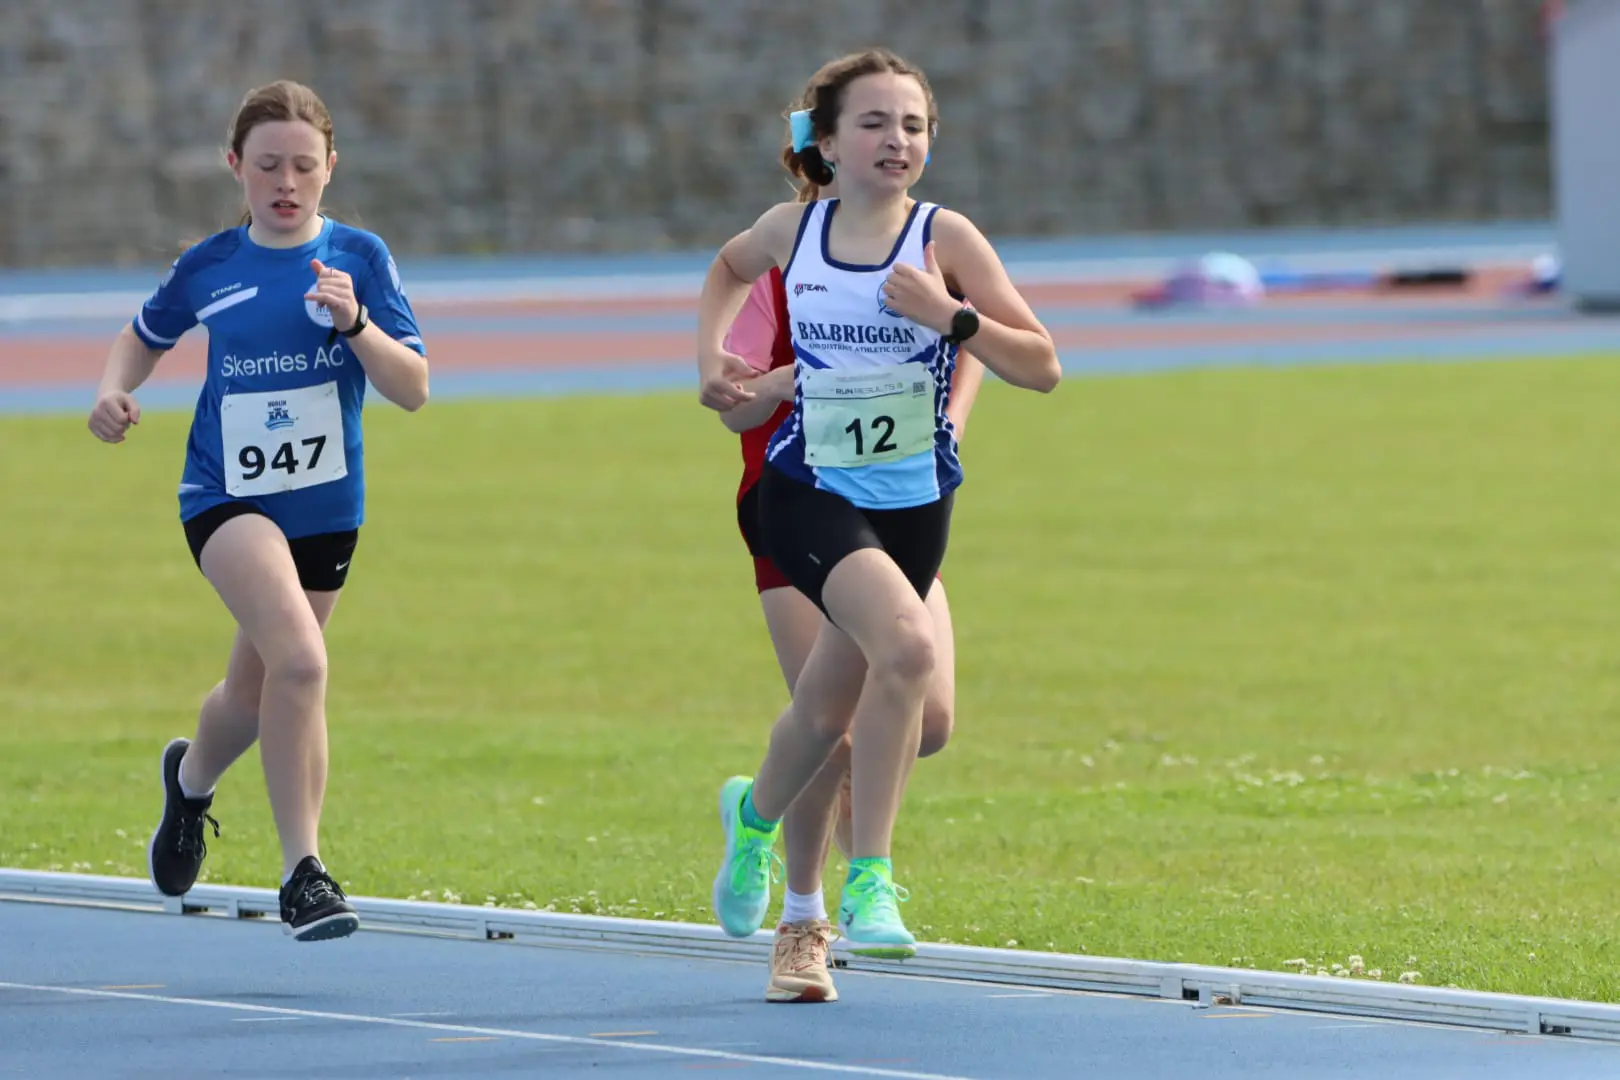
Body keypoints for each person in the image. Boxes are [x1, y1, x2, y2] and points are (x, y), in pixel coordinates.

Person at [695, 47, 1060, 970]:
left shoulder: (948, 240)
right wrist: (713, 360)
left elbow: (1043, 365)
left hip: (914, 502)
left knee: (825, 715)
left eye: (912, 125)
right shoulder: (791, 231)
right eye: (873, 122)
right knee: (906, 646)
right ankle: (869, 880)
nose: (895, 139)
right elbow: (724, 271)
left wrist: (952, 317)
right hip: (807, 491)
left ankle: (751, 818)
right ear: (825, 142)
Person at [86, 79, 430, 942]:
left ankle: (190, 783)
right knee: (302, 666)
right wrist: (112, 391)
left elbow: (414, 390)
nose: (286, 182)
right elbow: (143, 333)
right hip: (226, 498)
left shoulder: (360, 257)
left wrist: (355, 325)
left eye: (303, 167)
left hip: (325, 509)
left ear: (329, 169)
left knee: (251, 693)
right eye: (268, 165)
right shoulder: (210, 265)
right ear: (235, 166)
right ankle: (303, 873)